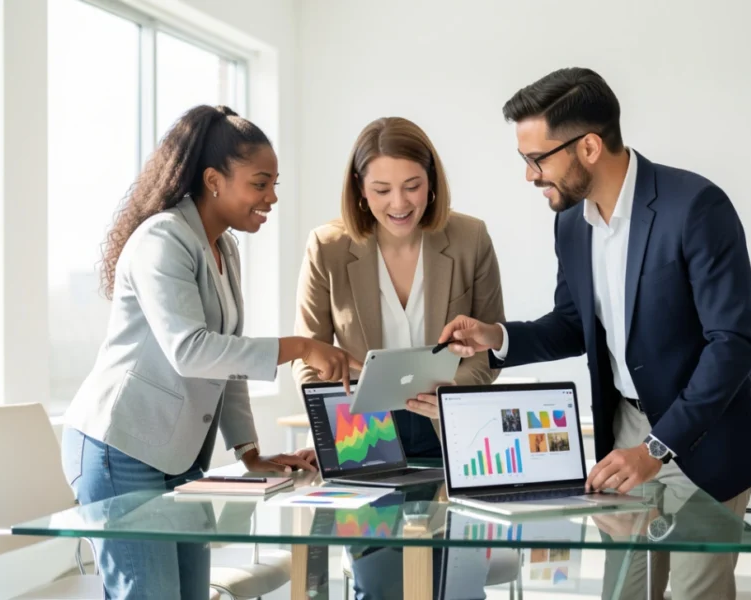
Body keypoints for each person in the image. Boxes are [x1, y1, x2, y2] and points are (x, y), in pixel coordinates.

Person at [438, 68, 751, 599]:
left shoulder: (694, 206)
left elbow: (733, 343)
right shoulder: (571, 222)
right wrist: (497, 337)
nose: (529, 175)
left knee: (696, 593)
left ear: (590, 146)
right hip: (624, 428)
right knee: (624, 590)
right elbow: (574, 325)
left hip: (705, 433)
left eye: (537, 159)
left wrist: (657, 447)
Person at [60, 105, 361, 599]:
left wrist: (249, 452)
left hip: (176, 455)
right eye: (260, 183)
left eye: (275, 184)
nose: (272, 197)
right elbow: (191, 351)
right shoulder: (163, 239)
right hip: (122, 447)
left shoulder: (223, 247)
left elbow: (228, 363)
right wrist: (303, 347)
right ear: (214, 180)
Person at [292, 116, 505, 458]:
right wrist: (333, 429)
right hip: (359, 429)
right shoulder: (326, 246)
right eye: (381, 190)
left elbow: (491, 345)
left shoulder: (471, 238)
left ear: (431, 181)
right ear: (360, 187)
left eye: (412, 186)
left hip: (449, 425)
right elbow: (307, 355)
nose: (399, 203)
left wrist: (452, 393)